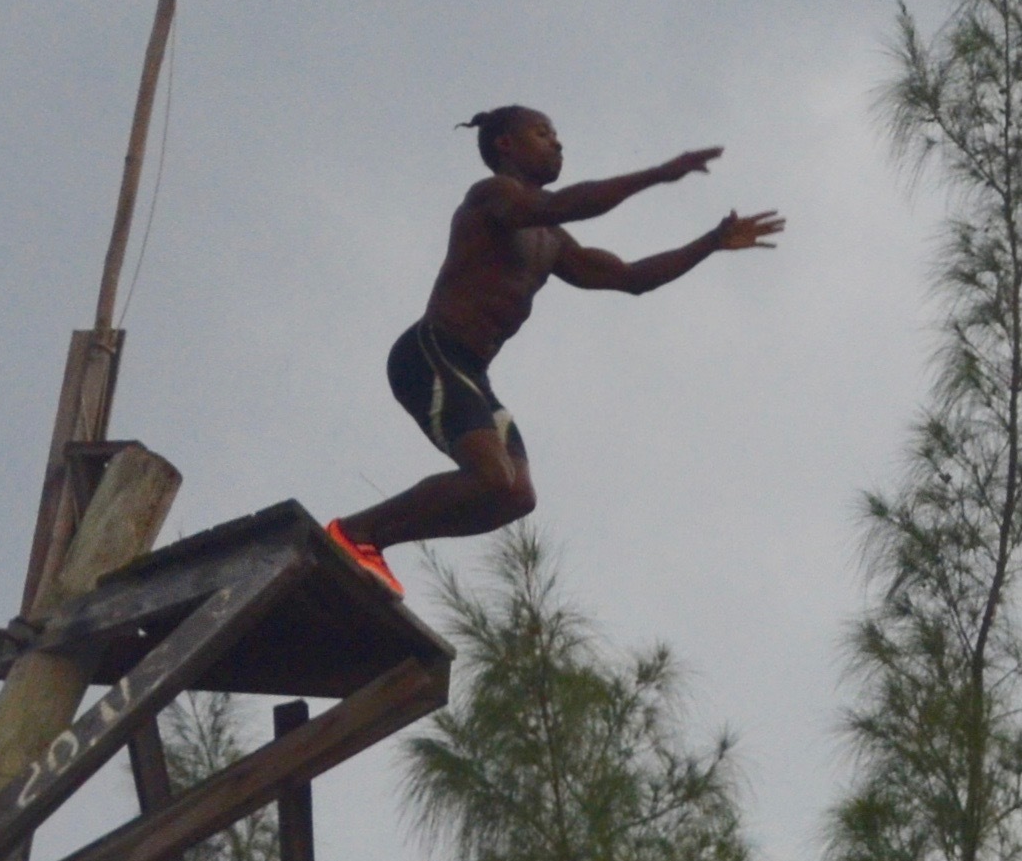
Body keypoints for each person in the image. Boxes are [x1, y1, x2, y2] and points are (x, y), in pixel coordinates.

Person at [326, 105, 781, 589]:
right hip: (431, 353)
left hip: (473, 373)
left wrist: (710, 242)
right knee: (492, 477)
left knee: (516, 497)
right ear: (506, 144)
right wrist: (661, 174)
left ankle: (370, 544)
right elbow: (566, 204)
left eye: (557, 135)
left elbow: (631, 279)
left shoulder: (553, 240)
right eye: (543, 134)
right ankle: (353, 532)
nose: (558, 144)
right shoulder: (493, 196)